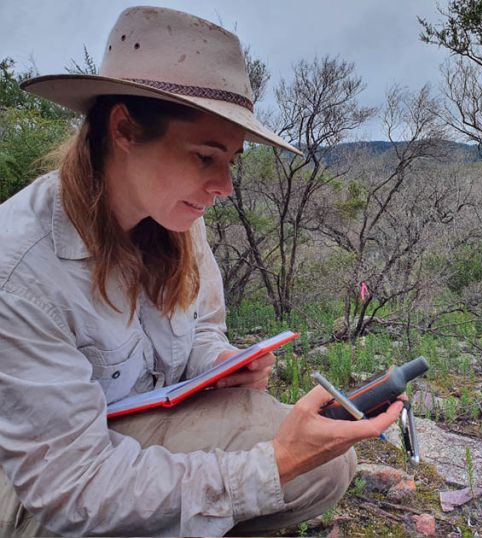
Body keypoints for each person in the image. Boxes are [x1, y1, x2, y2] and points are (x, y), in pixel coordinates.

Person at [0, 7, 404, 536]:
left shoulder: (177, 221)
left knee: (326, 461)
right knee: (296, 464)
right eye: (204, 156)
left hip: (128, 443)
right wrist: (271, 466)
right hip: (43, 493)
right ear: (123, 128)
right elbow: (69, 487)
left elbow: (202, 328)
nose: (225, 186)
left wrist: (222, 362)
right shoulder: (21, 268)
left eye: (231, 160)